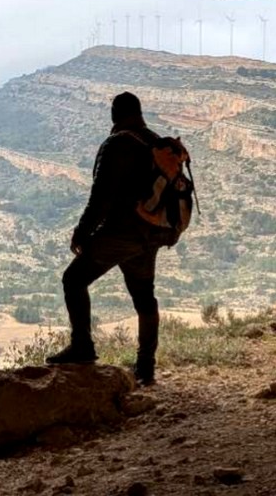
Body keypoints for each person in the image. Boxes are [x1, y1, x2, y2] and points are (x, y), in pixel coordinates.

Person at [45, 91, 166, 386]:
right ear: (139, 112)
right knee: (144, 297)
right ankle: (146, 367)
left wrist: (82, 231)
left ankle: (83, 346)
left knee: (73, 280)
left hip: (120, 233)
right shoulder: (154, 142)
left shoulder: (119, 143)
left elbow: (101, 197)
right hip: (149, 235)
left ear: (114, 115)